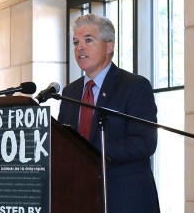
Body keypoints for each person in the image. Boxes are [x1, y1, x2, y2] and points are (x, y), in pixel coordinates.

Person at [58, 14, 160, 213]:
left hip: (125, 198)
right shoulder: (70, 92)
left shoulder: (134, 86)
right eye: (76, 42)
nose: (80, 48)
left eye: (88, 40)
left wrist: (90, 152)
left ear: (109, 46)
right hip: (80, 197)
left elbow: (145, 142)